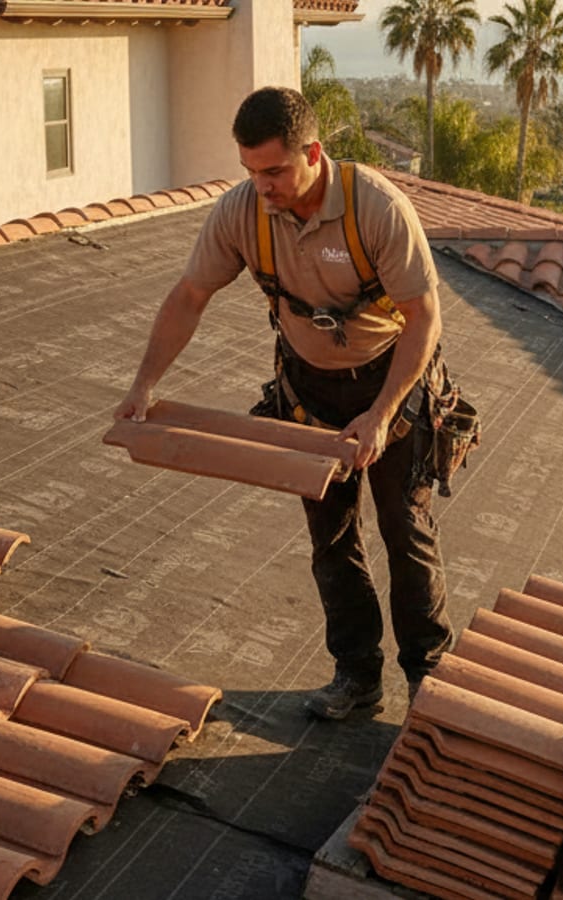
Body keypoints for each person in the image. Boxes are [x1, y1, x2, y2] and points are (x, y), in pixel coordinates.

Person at [116, 86, 453, 719]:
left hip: (391, 383)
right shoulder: (242, 213)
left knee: (405, 533)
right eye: (250, 171)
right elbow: (190, 296)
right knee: (332, 540)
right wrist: (143, 386)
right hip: (310, 390)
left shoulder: (375, 208)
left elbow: (424, 317)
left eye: (273, 170)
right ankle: (357, 677)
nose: (261, 186)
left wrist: (380, 415)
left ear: (314, 154)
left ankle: (427, 687)